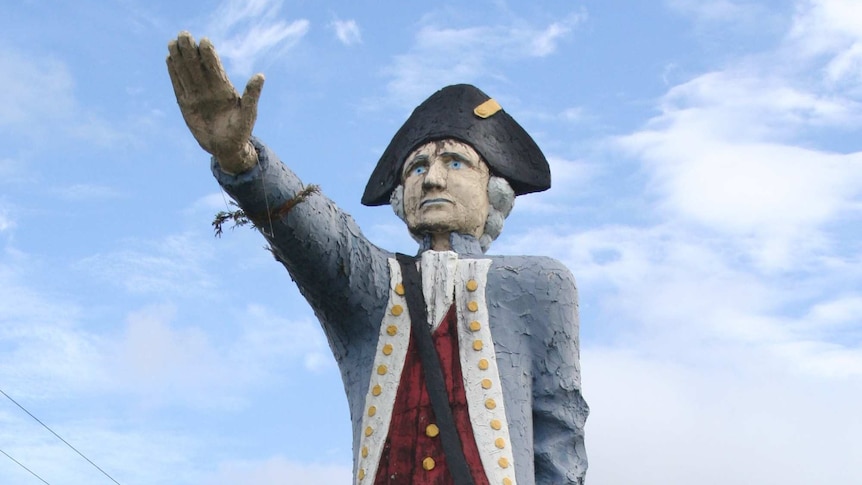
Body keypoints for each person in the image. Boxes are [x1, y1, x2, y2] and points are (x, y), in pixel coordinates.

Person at [167, 31, 588, 485]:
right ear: (401, 196)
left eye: (456, 163)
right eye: (417, 168)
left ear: (494, 190)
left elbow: (559, 434)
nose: (432, 180)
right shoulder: (374, 286)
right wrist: (241, 159)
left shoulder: (541, 284)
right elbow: (318, 233)